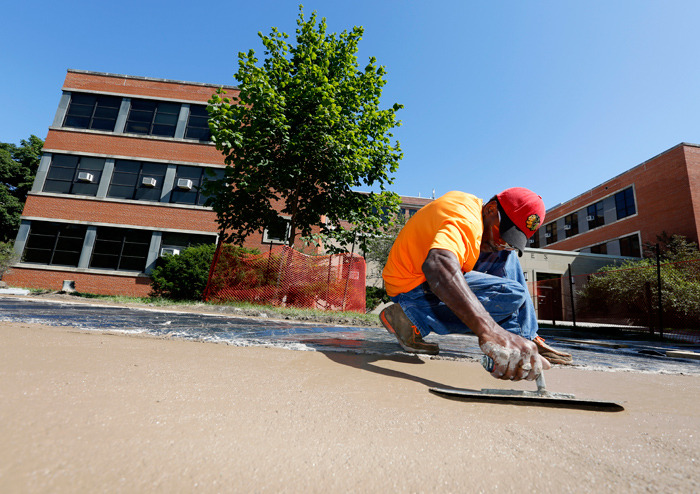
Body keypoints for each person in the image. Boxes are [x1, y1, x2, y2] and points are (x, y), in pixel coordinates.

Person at [380, 187, 573, 382]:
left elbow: (497, 245)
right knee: (512, 294)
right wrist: (490, 331)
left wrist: (504, 245)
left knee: (506, 256)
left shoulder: (471, 207)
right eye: (502, 235)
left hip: (418, 278)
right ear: (490, 209)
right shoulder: (467, 221)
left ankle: (522, 336)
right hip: (412, 287)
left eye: (510, 241)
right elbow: (437, 264)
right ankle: (412, 317)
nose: (501, 243)